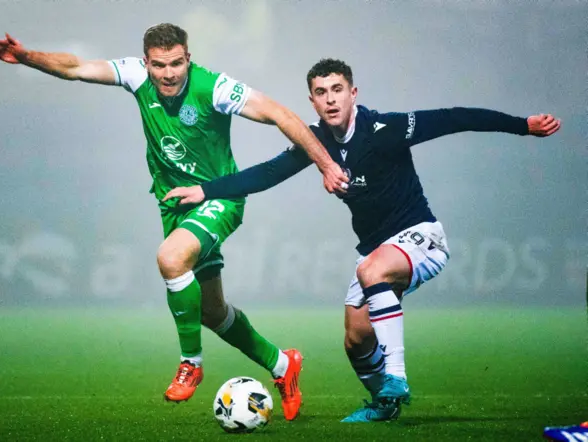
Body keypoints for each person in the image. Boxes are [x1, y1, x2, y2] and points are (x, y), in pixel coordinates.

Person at [163, 58, 562, 422]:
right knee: (355, 338)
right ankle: (383, 404)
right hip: (376, 249)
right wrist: (206, 191)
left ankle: (397, 379)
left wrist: (522, 124)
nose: (330, 99)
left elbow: (453, 118)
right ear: (313, 102)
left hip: (422, 236)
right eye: (321, 93)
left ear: (353, 93)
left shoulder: (384, 130)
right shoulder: (316, 143)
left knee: (373, 270)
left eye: (337, 89)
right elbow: (267, 173)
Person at [0, 24, 349, 421]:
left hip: (217, 197)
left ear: (188, 58)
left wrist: (326, 165)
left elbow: (280, 114)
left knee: (171, 258)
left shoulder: (215, 87)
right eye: (160, 65)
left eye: (177, 63)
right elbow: (75, 68)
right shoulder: (136, 76)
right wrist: (25, 56)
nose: (169, 73)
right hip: (174, 205)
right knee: (212, 313)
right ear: (147, 63)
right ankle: (283, 365)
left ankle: (190, 362)